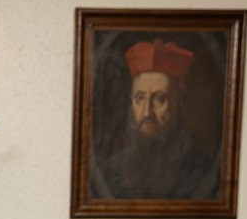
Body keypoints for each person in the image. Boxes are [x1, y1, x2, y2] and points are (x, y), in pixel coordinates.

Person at [91, 38, 220, 200]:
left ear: (179, 102)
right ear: (131, 101)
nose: (147, 112)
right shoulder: (112, 169)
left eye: (160, 99)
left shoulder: (200, 167)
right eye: (140, 98)